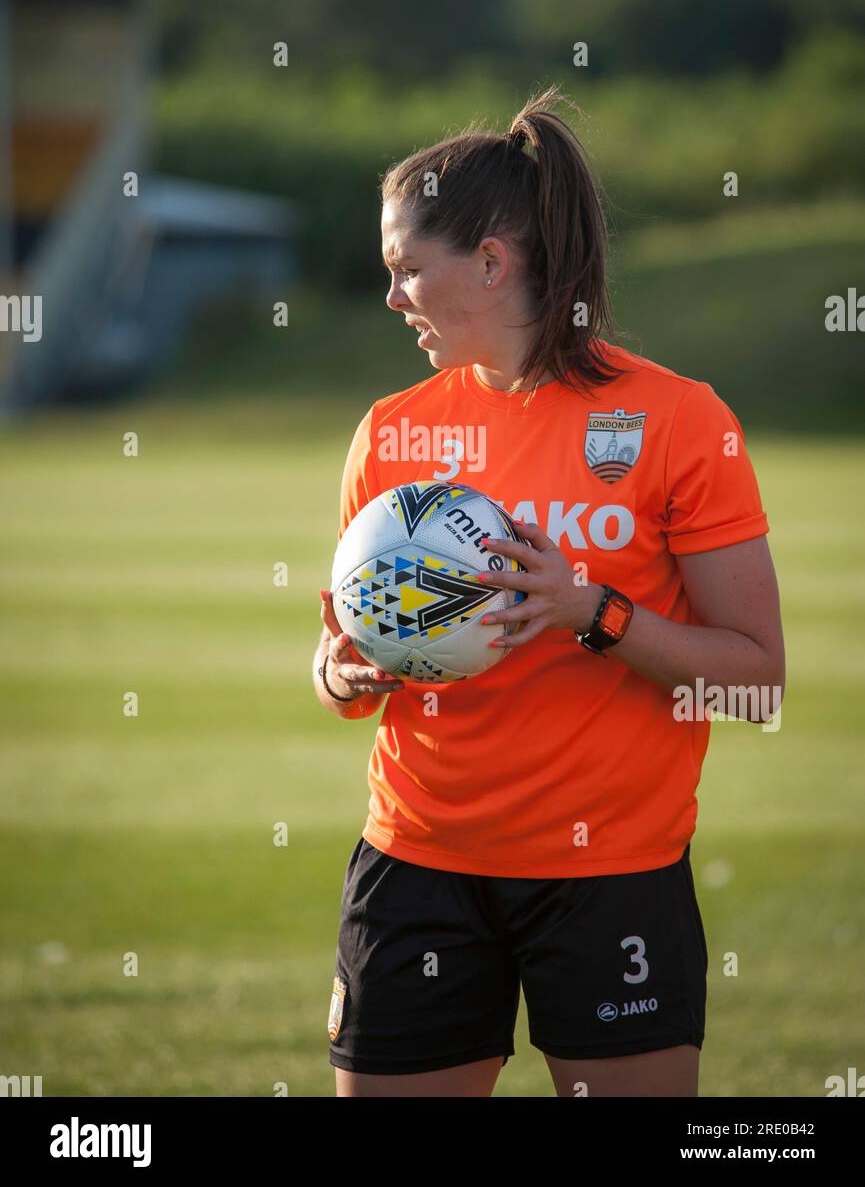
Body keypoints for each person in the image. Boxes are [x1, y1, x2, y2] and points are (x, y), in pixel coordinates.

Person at [312, 85, 785, 1098]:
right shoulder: (391, 432)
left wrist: (592, 614)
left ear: (491, 261)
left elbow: (757, 679)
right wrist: (342, 670)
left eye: (407, 270)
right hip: (418, 861)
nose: (391, 296)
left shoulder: (677, 420)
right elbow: (341, 672)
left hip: (610, 874)